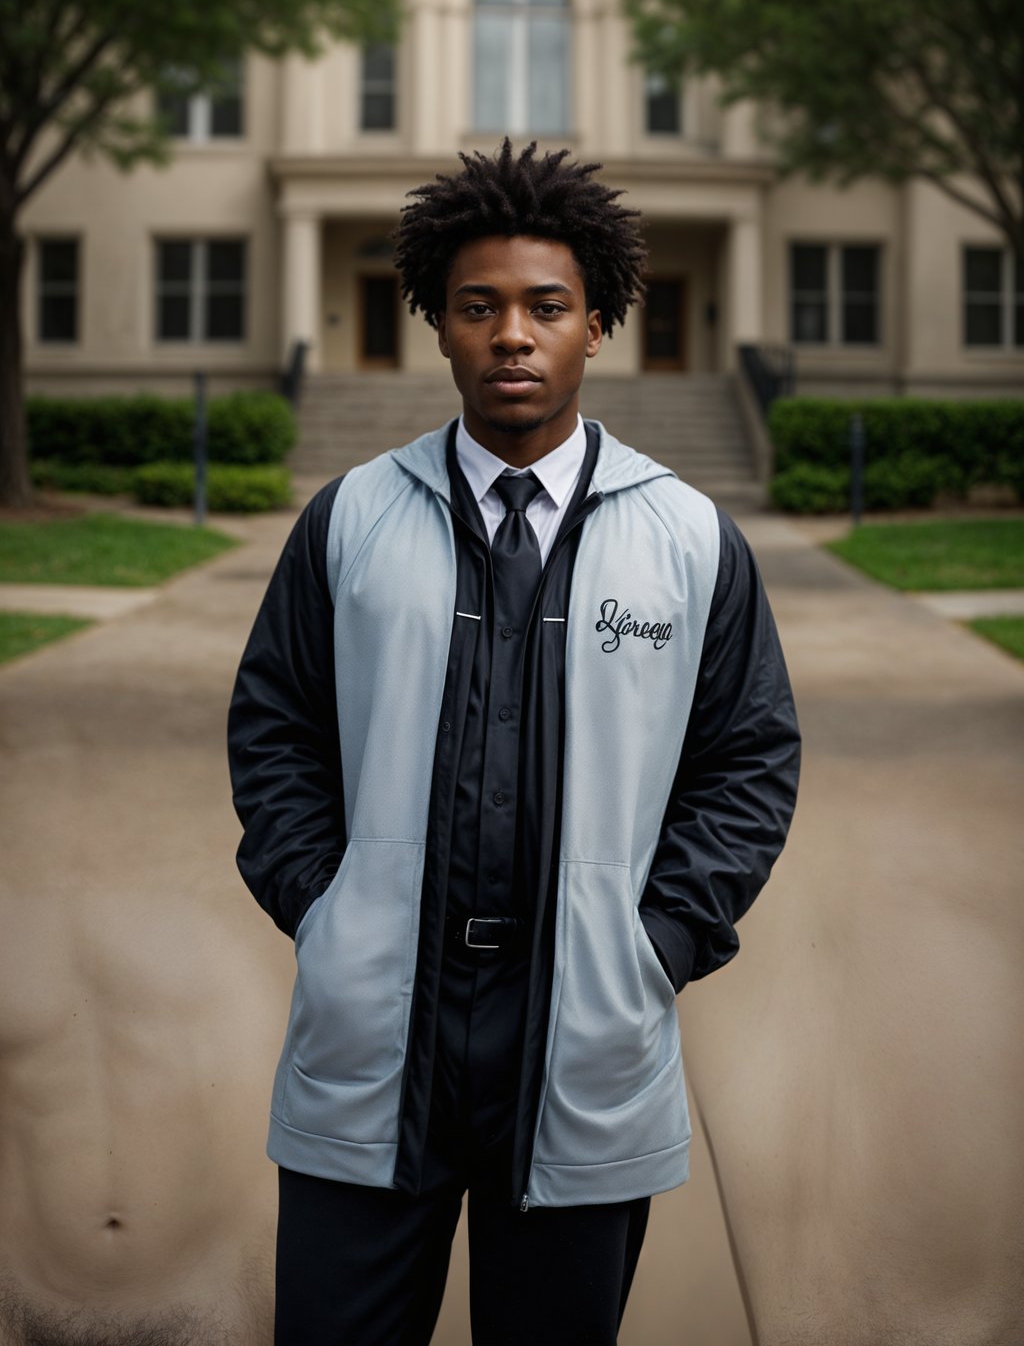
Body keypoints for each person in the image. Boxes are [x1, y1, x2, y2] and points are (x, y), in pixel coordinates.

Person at [227, 138, 801, 1346]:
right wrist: (319, 903)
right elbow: (275, 724)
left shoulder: (689, 538)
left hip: (587, 1028)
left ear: (598, 324)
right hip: (378, 1029)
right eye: (478, 307)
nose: (511, 336)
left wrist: (661, 942)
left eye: (546, 307)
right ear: (438, 322)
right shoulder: (349, 522)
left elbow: (747, 761)